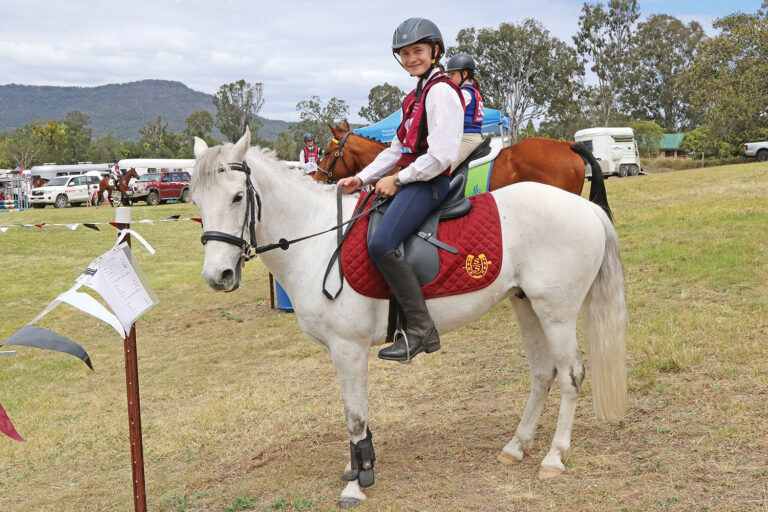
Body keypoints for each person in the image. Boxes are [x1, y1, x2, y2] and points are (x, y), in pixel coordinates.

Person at [337, 17, 464, 362]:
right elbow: (395, 150)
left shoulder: (440, 92)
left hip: (429, 182)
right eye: (405, 54)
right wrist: (361, 178)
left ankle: (421, 329)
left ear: (435, 51)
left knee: (381, 242)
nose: (411, 58)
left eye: (418, 51)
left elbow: (440, 156)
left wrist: (399, 179)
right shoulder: (415, 95)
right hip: (411, 176)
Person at [446, 53, 485, 172]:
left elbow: (447, 114)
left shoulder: (464, 93)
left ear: (464, 74)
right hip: (470, 137)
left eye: (453, 73)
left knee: (441, 171)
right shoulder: (473, 91)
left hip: (466, 139)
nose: (450, 77)